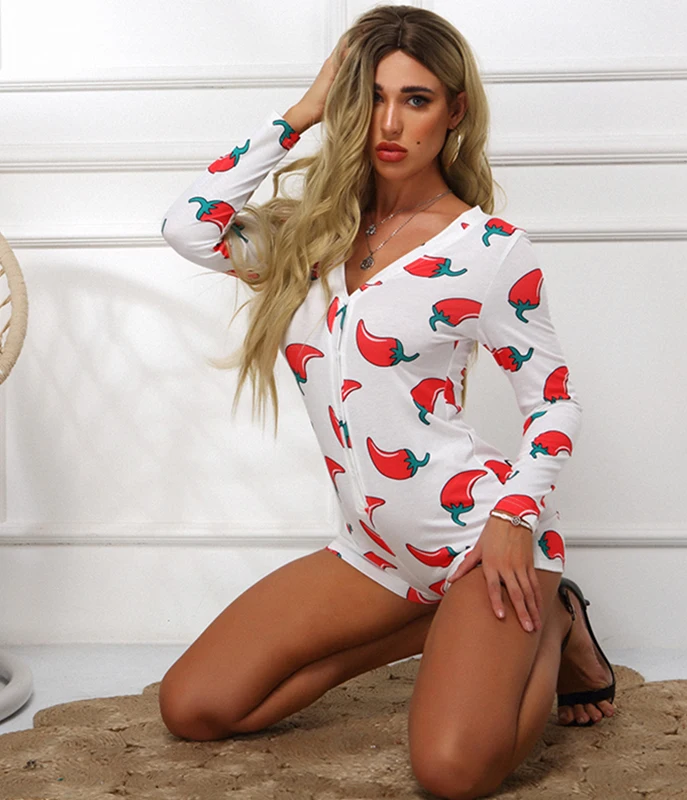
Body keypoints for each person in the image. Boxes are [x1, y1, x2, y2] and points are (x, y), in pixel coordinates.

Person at [158, 5, 615, 798]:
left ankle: (557, 619)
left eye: (416, 99)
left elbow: (554, 404)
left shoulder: (488, 250)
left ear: (455, 111)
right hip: (370, 552)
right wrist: (302, 112)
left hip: (476, 542)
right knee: (194, 707)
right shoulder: (306, 241)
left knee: (452, 772)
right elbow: (187, 227)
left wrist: (514, 521)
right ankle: (433, 626)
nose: (390, 123)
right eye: (370, 98)